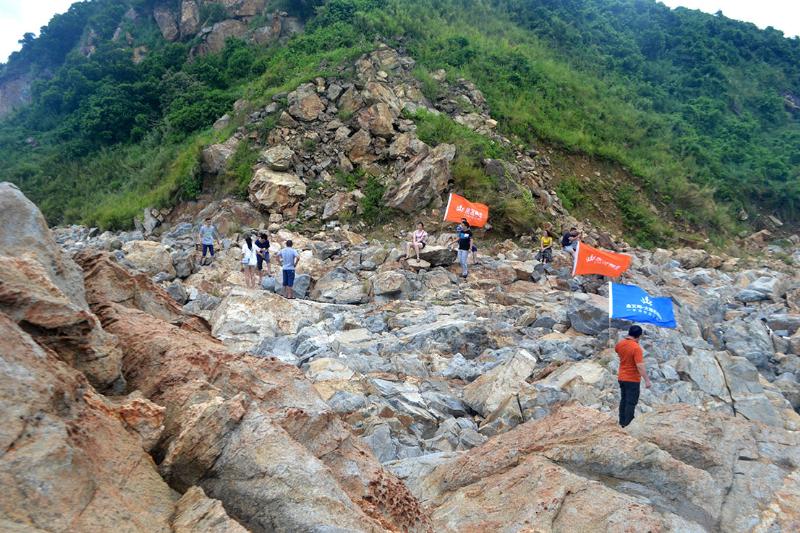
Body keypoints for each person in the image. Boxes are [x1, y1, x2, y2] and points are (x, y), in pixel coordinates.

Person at [616, 325, 651, 427]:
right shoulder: (636, 348)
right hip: (632, 379)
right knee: (631, 402)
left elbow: (617, 350)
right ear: (639, 336)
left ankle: (622, 422)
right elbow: (640, 366)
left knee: (623, 400)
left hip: (621, 377)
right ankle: (628, 425)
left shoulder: (620, 344)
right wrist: (647, 380)